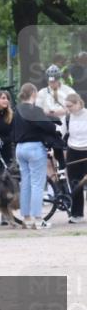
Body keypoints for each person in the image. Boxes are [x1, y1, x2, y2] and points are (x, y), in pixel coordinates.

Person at [13, 83, 61, 229]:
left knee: (25, 184)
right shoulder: (35, 110)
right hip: (34, 147)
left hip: (19, 148)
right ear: (33, 94)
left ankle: (26, 218)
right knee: (37, 184)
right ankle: (38, 219)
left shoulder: (16, 110)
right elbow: (49, 126)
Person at [62, 92, 87, 225]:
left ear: (78, 103)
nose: (68, 109)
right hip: (73, 153)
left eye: (70, 106)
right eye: (66, 106)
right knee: (75, 184)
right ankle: (77, 214)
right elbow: (61, 133)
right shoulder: (67, 118)